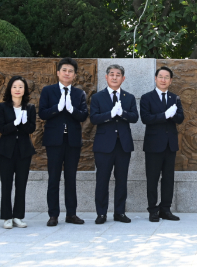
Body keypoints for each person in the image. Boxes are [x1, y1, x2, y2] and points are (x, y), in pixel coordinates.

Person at [39, 58, 89, 227]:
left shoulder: (79, 93)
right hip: (54, 141)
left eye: (71, 71)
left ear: (74, 75)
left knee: (71, 178)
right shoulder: (48, 91)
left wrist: (71, 109)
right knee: (53, 178)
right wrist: (57, 108)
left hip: (72, 141)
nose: (67, 73)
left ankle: (71, 214)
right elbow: (42, 114)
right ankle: (53, 215)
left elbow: (83, 115)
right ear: (58, 72)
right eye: (64, 70)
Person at [90, 64, 139, 224]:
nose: (114, 77)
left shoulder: (129, 97)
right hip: (104, 145)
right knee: (102, 180)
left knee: (122, 180)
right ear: (106, 77)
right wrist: (110, 114)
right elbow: (94, 118)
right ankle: (101, 213)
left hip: (123, 145)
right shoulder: (97, 97)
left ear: (123, 79)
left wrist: (122, 113)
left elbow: (134, 117)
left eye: (118, 75)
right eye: (111, 74)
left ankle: (119, 212)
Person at [140, 66, 184, 222]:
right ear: (155, 78)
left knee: (168, 179)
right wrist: (165, 115)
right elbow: (146, 118)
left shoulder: (175, 98)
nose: (163, 80)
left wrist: (173, 116)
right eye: (161, 77)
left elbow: (180, 118)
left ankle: (165, 209)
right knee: (152, 178)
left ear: (171, 81)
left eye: (167, 77)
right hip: (153, 144)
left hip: (170, 145)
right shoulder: (147, 98)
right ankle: (153, 210)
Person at [0, 76, 36, 229]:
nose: (17, 89)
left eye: (21, 87)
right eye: (15, 86)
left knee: (21, 184)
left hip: (24, 151)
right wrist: (15, 123)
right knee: (6, 184)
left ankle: (18, 216)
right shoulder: (3, 107)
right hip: (6, 151)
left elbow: (31, 129)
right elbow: (2, 128)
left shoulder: (30, 107)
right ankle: (6, 217)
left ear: (24, 89)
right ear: (10, 89)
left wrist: (24, 123)